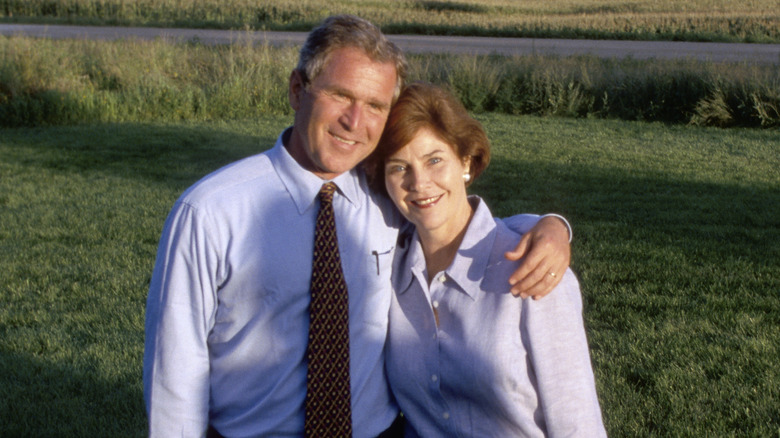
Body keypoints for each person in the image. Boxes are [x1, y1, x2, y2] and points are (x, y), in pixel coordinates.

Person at [143, 15, 573, 437]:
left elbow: (459, 223)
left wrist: (549, 225)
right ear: (297, 90)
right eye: (339, 95)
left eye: (375, 106)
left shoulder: (386, 194)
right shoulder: (210, 212)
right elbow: (175, 371)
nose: (355, 121)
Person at [367, 82, 606, 437]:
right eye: (399, 168)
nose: (418, 183)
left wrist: (553, 225)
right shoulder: (389, 268)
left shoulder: (533, 271)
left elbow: (578, 424)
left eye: (435, 160)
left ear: (465, 161)